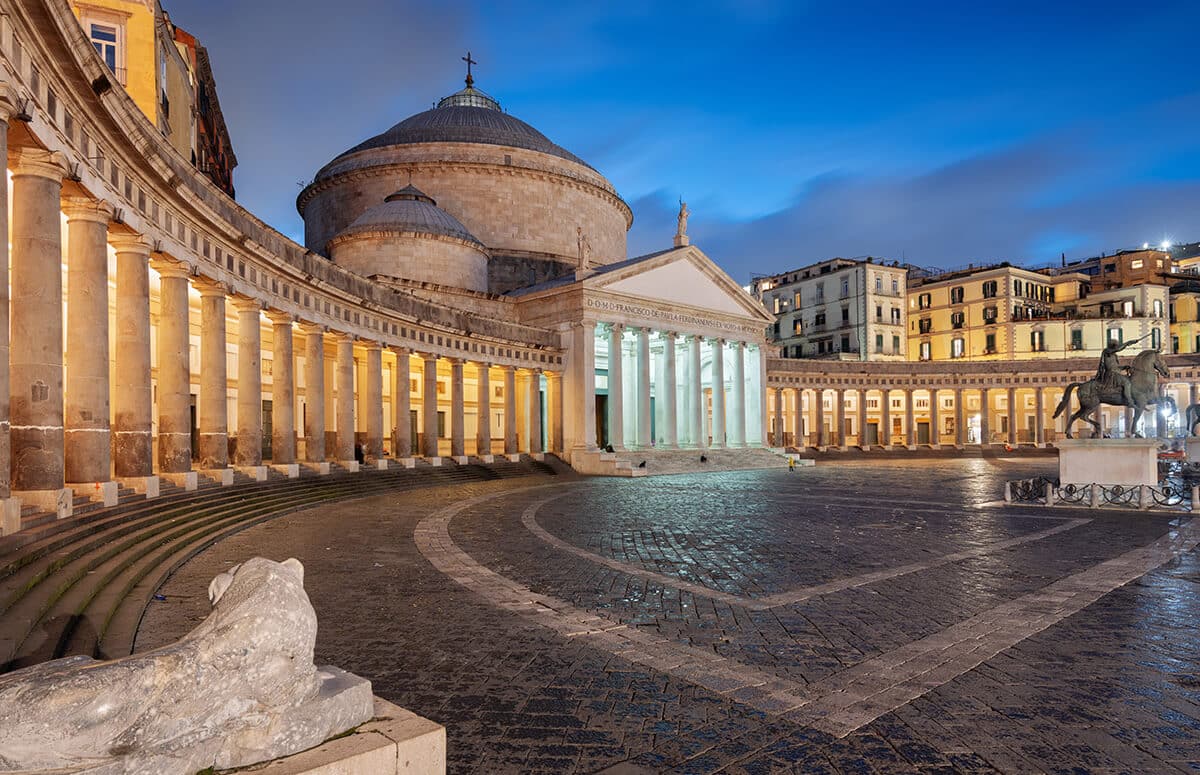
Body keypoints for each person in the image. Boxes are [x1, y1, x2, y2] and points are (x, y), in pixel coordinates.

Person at [1095, 335, 1143, 405]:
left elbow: (1116, 367)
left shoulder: (1113, 354)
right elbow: (1119, 349)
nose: (1116, 347)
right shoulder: (1107, 351)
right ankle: (1129, 401)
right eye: (1116, 345)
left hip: (1116, 372)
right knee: (1126, 383)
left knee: (1130, 380)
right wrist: (1129, 342)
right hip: (1112, 374)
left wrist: (1124, 367)